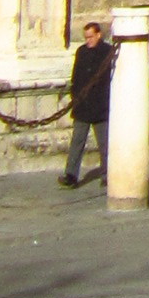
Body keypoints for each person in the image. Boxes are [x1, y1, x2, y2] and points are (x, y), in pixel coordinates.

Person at [63, 21, 113, 187]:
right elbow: (76, 76)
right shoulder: (81, 52)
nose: (88, 40)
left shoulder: (107, 52)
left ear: (98, 35)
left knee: (104, 142)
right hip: (83, 105)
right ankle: (71, 174)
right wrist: (75, 95)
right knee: (77, 141)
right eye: (86, 37)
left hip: (100, 105)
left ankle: (107, 173)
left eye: (91, 37)